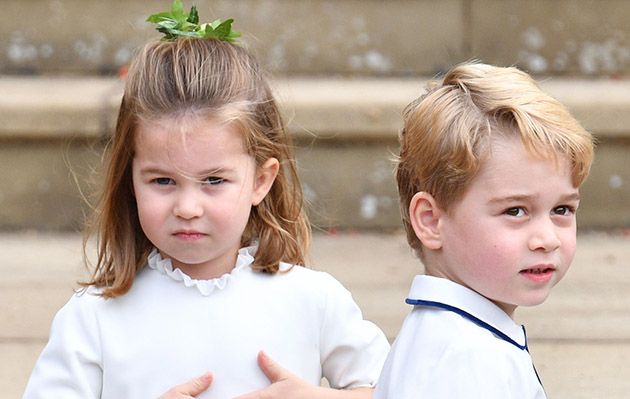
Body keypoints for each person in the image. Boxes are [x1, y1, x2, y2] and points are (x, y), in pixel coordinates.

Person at [23, 3, 389, 398]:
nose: (187, 207)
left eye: (213, 180)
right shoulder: (93, 318)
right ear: (130, 180)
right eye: (162, 180)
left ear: (261, 181)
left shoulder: (313, 300)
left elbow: (401, 388)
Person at [375, 62, 594, 398]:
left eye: (561, 209)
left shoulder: (454, 336)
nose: (547, 239)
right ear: (431, 221)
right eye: (516, 210)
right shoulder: (468, 358)